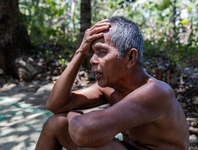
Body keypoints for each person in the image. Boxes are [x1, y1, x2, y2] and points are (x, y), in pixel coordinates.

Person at [35, 16, 189, 150]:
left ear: (130, 58)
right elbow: (55, 105)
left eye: (101, 52)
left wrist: (73, 114)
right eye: (92, 52)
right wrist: (80, 52)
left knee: (90, 145)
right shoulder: (111, 88)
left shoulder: (157, 92)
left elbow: (84, 131)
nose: (92, 60)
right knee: (56, 123)